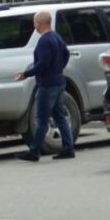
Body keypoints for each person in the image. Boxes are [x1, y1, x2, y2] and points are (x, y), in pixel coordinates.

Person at [15, 11, 75, 162]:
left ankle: (34, 151)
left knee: (41, 119)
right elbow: (66, 54)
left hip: (47, 84)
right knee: (59, 116)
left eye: (35, 23)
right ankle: (68, 148)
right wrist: (59, 68)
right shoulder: (56, 37)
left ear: (40, 24)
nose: (34, 26)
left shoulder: (44, 41)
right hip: (59, 81)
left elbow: (42, 64)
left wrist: (26, 73)